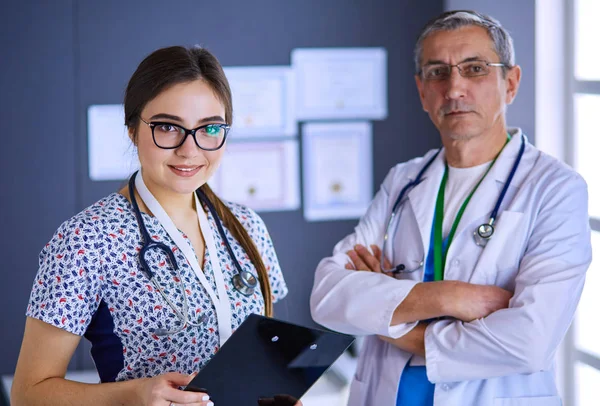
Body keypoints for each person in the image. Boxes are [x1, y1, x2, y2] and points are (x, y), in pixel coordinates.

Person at [310, 10, 592, 406]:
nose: (454, 88)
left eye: (474, 68)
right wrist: (449, 296)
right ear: (422, 91)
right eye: (437, 72)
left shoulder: (554, 189)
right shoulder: (403, 180)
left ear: (510, 83)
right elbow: (327, 296)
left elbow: (529, 342)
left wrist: (385, 319)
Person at [12, 45, 291, 406]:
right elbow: (27, 393)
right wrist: (133, 394)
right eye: (167, 127)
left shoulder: (246, 226)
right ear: (132, 129)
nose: (190, 150)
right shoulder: (86, 240)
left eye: (209, 128)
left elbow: (262, 358)